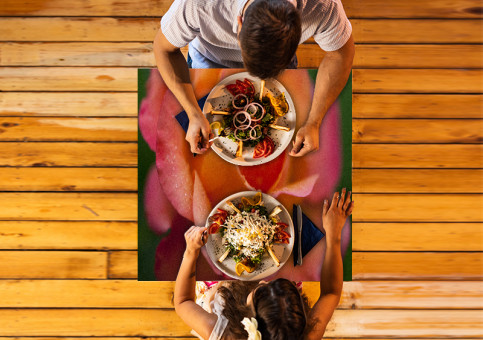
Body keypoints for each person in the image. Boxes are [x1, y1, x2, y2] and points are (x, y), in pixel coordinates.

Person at [154, 0, 355, 156]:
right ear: (239, 23)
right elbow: (163, 49)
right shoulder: (197, 5)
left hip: (283, 69)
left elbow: (341, 55)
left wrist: (314, 122)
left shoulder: (323, 6)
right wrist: (192, 113)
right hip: (208, 60)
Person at [173, 189, 354, 339]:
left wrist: (190, 252)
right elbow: (331, 293)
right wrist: (334, 235)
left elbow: (182, 301)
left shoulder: (223, 333)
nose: (263, 281)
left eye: (261, 290)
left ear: (249, 321)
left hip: (224, 294)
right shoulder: (304, 335)